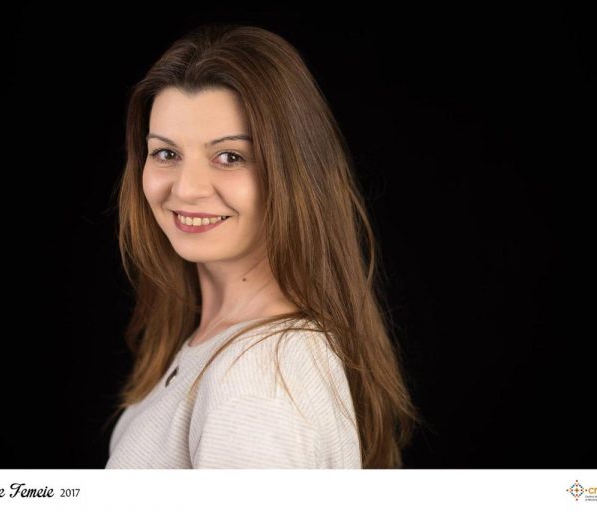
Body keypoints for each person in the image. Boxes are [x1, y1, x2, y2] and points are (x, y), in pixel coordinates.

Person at [105, 22, 421, 469]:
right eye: (166, 153)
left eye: (230, 157)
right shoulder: (222, 344)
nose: (187, 188)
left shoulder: (257, 380)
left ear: (293, 174)